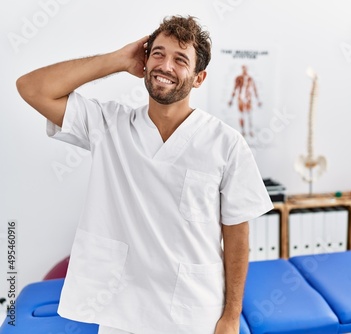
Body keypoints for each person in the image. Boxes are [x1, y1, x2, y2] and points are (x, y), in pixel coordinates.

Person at [16, 15, 273, 334]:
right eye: (158, 54)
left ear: (198, 78)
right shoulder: (107, 125)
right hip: (120, 312)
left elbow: (237, 236)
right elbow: (32, 88)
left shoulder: (226, 144)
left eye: (181, 59)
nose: (165, 65)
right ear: (144, 61)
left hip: (193, 314)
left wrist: (232, 316)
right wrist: (116, 60)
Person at [228, 65, 262, 137]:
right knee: (241, 115)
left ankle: (250, 130)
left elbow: (255, 89)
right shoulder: (238, 78)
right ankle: (242, 131)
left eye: (246, 69)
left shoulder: (250, 79)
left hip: (248, 99)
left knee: (249, 115)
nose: (245, 70)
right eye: (243, 69)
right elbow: (235, 89)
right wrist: (231, 99)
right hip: (241, 98)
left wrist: (258, 100)